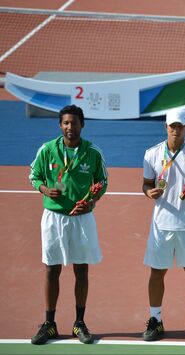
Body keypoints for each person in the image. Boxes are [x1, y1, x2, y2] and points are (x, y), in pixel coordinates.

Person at [29, 104, 108, 345]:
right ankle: (49, 324)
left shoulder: (93, 153)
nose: (69, 127)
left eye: (74, 122)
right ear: (60, 125)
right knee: (52, 270)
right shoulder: (47, 150)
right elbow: (34, 175)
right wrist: (44, 189)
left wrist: (92, 201)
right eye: (65, 123)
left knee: (81, 270)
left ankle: (79, 323)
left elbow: (102, 182)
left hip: (82, 219)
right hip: (53, 218)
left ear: (82, 125)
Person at [141, 107, 185, 341]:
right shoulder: (151, 154)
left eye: (180, 126)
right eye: (172, 126)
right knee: (156, 273)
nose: (175, 130)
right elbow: (146, 184)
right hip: (161, 224)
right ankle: (155, 319)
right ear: (166, 127)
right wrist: (149, 192)